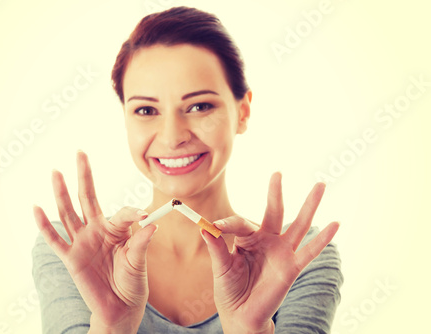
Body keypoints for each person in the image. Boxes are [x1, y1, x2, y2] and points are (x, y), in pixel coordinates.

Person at [32, 6, 343, 334]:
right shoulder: (74, 250)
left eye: (199, 106)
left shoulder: (297, 257)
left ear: (243, 111)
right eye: (146, 110)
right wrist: (112, 327)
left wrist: (248, 328)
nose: (172, 137)